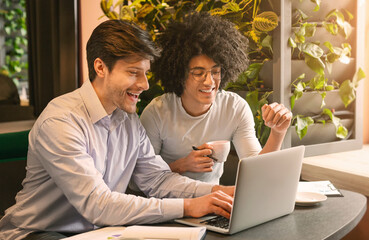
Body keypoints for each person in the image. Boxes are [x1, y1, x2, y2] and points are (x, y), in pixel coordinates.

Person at [0, 20, 235, 240]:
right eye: (133, 72)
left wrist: (218, 191)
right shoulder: (61, 121)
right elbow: (97, 204)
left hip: (102, 232)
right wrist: (188, 206)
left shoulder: (128, 118)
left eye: (145, 73)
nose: (144, 84)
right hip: (40, 233)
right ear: (101, 67)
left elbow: (157, 179)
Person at [139, 12, 292, 184]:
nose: (209, 81)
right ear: (179, 74)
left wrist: (278, 132)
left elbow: (258, 170)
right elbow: (141, 178)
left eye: (216, 72)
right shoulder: (157, 112)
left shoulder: (234, 107)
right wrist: (182, 165)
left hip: (214, 202)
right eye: (198, 73)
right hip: (169, 206)